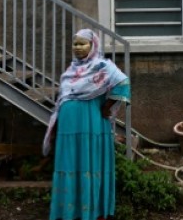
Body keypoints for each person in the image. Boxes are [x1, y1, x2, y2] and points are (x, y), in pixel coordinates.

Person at [43, 29, 130, 220]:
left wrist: (108, 105)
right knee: (70, 162)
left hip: (92, 123)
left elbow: (123, 83)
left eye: (83, 44)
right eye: (75, 44)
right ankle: (69, 211)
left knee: (92, 162)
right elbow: (63, 97)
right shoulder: (70, 71)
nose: (78, 48)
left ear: (93, 45)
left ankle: (94, 211)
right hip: (68, 125)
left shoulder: (102, 66)